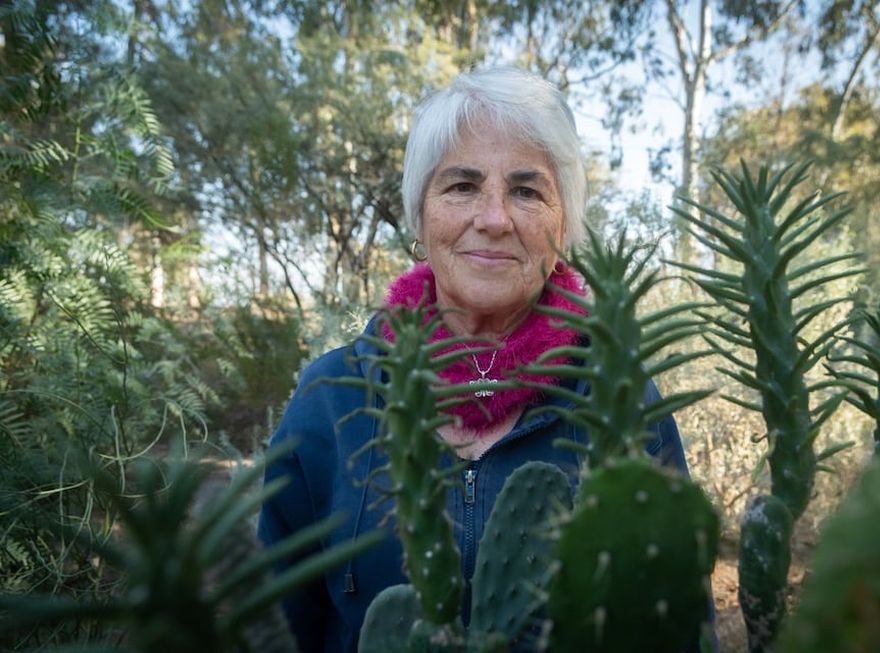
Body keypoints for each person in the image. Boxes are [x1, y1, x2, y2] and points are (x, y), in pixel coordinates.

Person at [258, 66, 705, 653]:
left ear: (562, 223)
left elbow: (676, 630)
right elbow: (274, 629)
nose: (494, 219)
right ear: (420, 216)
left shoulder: (623, 401)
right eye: (462, 186)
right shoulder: (331, 396)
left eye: (526, 190)